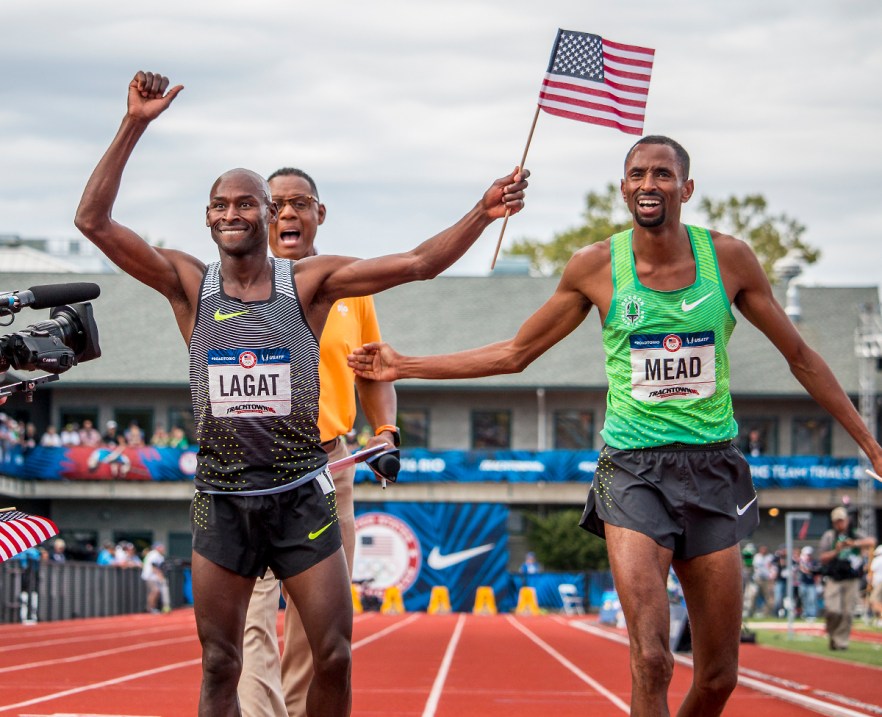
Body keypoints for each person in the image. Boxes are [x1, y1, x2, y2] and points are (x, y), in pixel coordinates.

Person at [348, 135, 882, 716]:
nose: (648, 185)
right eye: (636, 175)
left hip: (713, 468)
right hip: (632, 472)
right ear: (623, 186)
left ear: (687, 187)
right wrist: (405, 365)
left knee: (719, 679)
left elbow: (800, 356)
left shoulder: (728, 260)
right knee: (651, 659)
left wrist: (870, 445)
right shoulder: (596, 265)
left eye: (661, 174)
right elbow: (516, 353)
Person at [74, 70, 528, 717]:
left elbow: (420, 262)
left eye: (247, 203)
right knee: (220, 662)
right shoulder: (187, 283)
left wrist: (481, 212)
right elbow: (92, 219)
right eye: (221, 204)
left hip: (301, 491)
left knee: (335, 653)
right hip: (224, 497)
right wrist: (135, 124)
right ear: (208, 218)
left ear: (270, 213)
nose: (234, 212)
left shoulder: (309, 283)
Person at [237, 168, 398, 717]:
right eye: (275, 204)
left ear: (319, 214)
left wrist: (385, 431)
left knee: (318, 626)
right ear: (259, 214)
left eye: (299, 203)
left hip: (330, 465)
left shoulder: (351, 287)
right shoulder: (234, 284)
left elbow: (374, 372)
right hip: (250, 468)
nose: (286, 214)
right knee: (249, 617)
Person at [818, 506, 875, 649]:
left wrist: (853, 543)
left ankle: (841, 642)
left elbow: (872, 541)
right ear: (833, 522)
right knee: (833, 610)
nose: (840, 524)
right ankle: (833, 634)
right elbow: (822, 558)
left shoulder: (854, 534)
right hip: (834, 578)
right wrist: (836, 550)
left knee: (847, 612)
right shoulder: (829, 536)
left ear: (847, 520)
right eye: (837, 521)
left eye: (842, 521)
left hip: (851, 578)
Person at [142, 542, 171, 614]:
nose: (163, 549)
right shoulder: (154, 554)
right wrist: (160, 576)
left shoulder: (160, 556)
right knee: (155, 591)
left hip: (154, 577)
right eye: (161, 547)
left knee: (156, 592)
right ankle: (150, 608)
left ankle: (152, 607)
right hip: (150, 576)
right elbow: (153, 566)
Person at [868, 544, 882, 628]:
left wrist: (869, 584)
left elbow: (871, 573)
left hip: (878, 583)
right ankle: (879, 620)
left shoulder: (877, 560)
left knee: (874, 601)